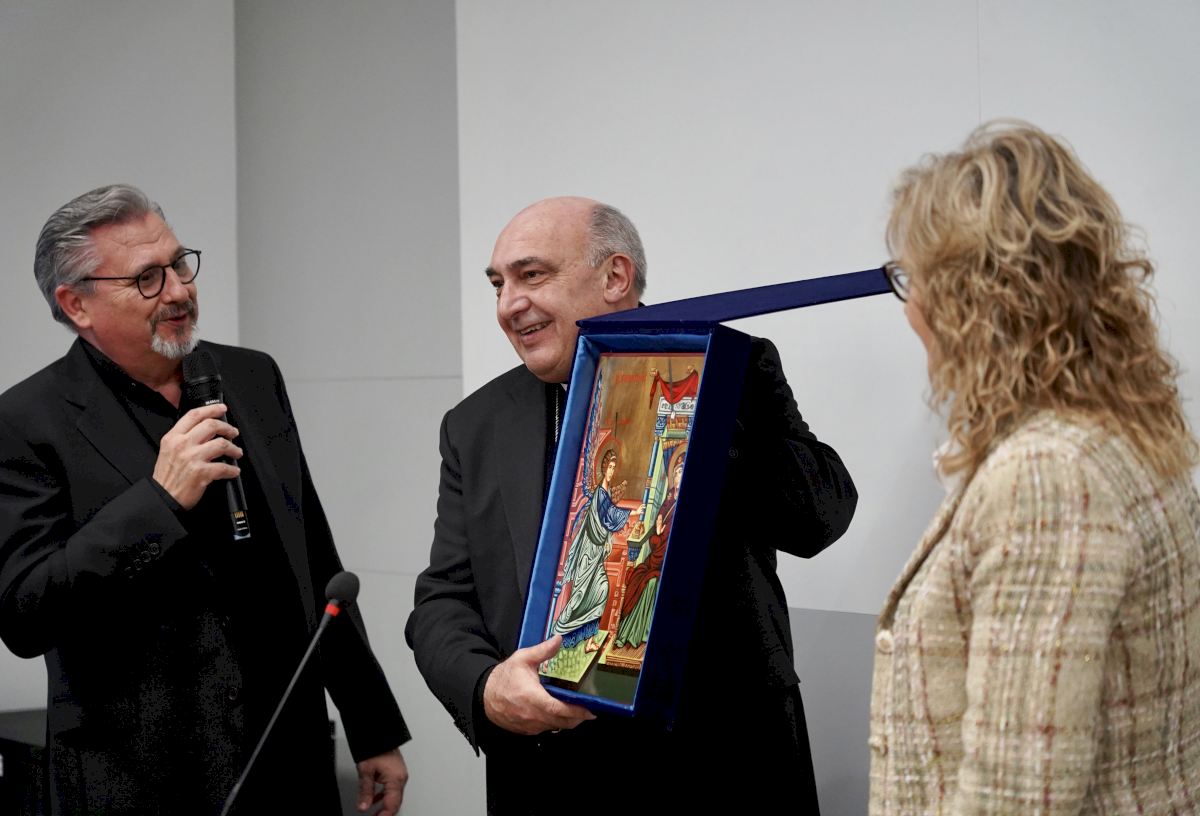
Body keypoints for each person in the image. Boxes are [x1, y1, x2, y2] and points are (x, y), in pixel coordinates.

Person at [406, 196, 858, 813]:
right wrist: (486, 688)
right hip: (551, 774)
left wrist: (706, 415)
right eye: (498, 285)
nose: (509, 304)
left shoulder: (732, 366)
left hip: (723, 766)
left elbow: (820, 518)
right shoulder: (473, 425)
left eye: (531, 275)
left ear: (615, 276)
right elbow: (443, 599)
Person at [0, 184, 410, 816]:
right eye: (146, 278)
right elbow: (26, 615)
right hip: (140, 777)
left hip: (285, 755)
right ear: (76, 304)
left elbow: (313, 559)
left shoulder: (251, 375)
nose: (178, 291)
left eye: (179, 264)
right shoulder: (28, 421)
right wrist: (157, 500)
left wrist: (371, 723)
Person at [870, 123, 1200, 814]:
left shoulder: (1048, 476)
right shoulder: (1119, 427)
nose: (912, 308)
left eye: (913, 280)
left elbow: (1017, 796)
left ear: (968, 301)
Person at [549, 447, 636, 653]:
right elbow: (604, 518)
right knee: (581, 597)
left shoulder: (606, 492)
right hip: (589, 552)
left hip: (596, 555)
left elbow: (607, 516)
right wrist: (632, 512)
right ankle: (560, 632)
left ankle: (589, 641)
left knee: (601, 590)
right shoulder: (600, 493)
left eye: (614, 467)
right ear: (604, 468)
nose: (612, 471)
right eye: (610, 467)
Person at [614, 451, 683, 651]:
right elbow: (655, 540)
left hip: (671, 562)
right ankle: (626, 635)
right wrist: (658, 533)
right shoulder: (667, 504)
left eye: (681, 472)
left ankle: (642, 636)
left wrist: (661, 535)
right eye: (676, 472)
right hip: (656, 559)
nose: (678, 476)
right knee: (638, 577)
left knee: (651, 583)